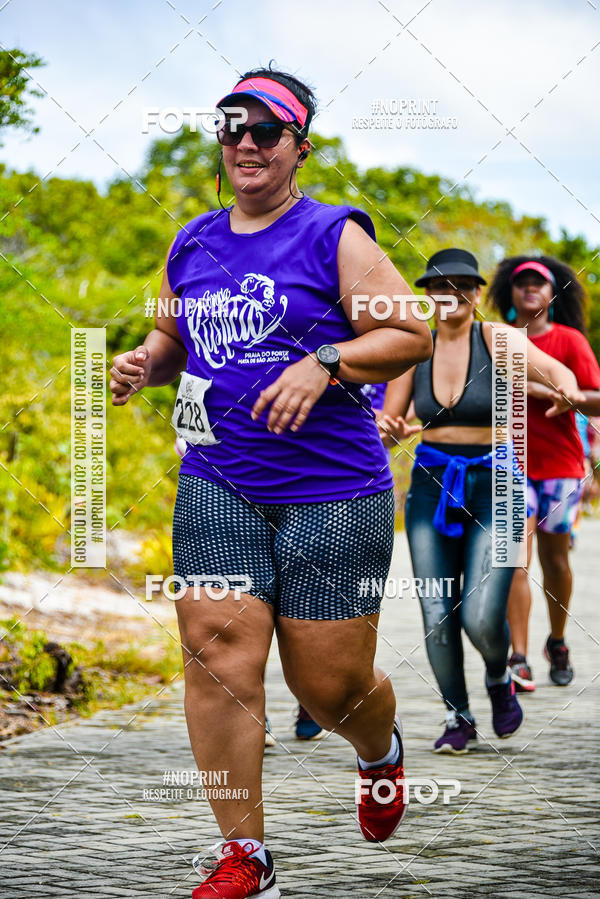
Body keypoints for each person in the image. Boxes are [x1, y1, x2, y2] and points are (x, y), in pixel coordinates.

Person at [110, 67, 432, 898]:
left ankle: (379, 750)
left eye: (266, 130)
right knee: (216, 652)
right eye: (232, 127)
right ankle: (245, 856)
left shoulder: (334, 234)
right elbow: (172, 339)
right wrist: (144, 361)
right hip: (218, 479)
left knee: (327, 689)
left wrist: (326, 360)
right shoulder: (192, 242)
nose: (246, 142)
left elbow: (411, 334)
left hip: (334, 489)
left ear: (300, 146)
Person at [379, 248, 584, 753]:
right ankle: (458, 716)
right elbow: (390, 422)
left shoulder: (498, 339)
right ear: (427, 295)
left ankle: (498, 674)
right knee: (436, 609)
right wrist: (392, 429)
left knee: (480, 615)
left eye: (461, 286)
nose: (450, 295)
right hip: (432, 483)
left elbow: (559, 372)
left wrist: (566, 391)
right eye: (439, 286)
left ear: (475, 293)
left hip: (499, 485)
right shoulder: (415, 345)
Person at [489, 257, 600, 689]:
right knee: (515, 562)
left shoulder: (570, 340)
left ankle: (557, 641)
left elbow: (595, 398)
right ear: (510, 292)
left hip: (560, 467)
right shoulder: (495, 338)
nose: (530, 289)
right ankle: (518, 656)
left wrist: (553, 393)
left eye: (540, 283)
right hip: (508, 466)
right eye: (522, 283)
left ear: (553, 293)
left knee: (555, 562)